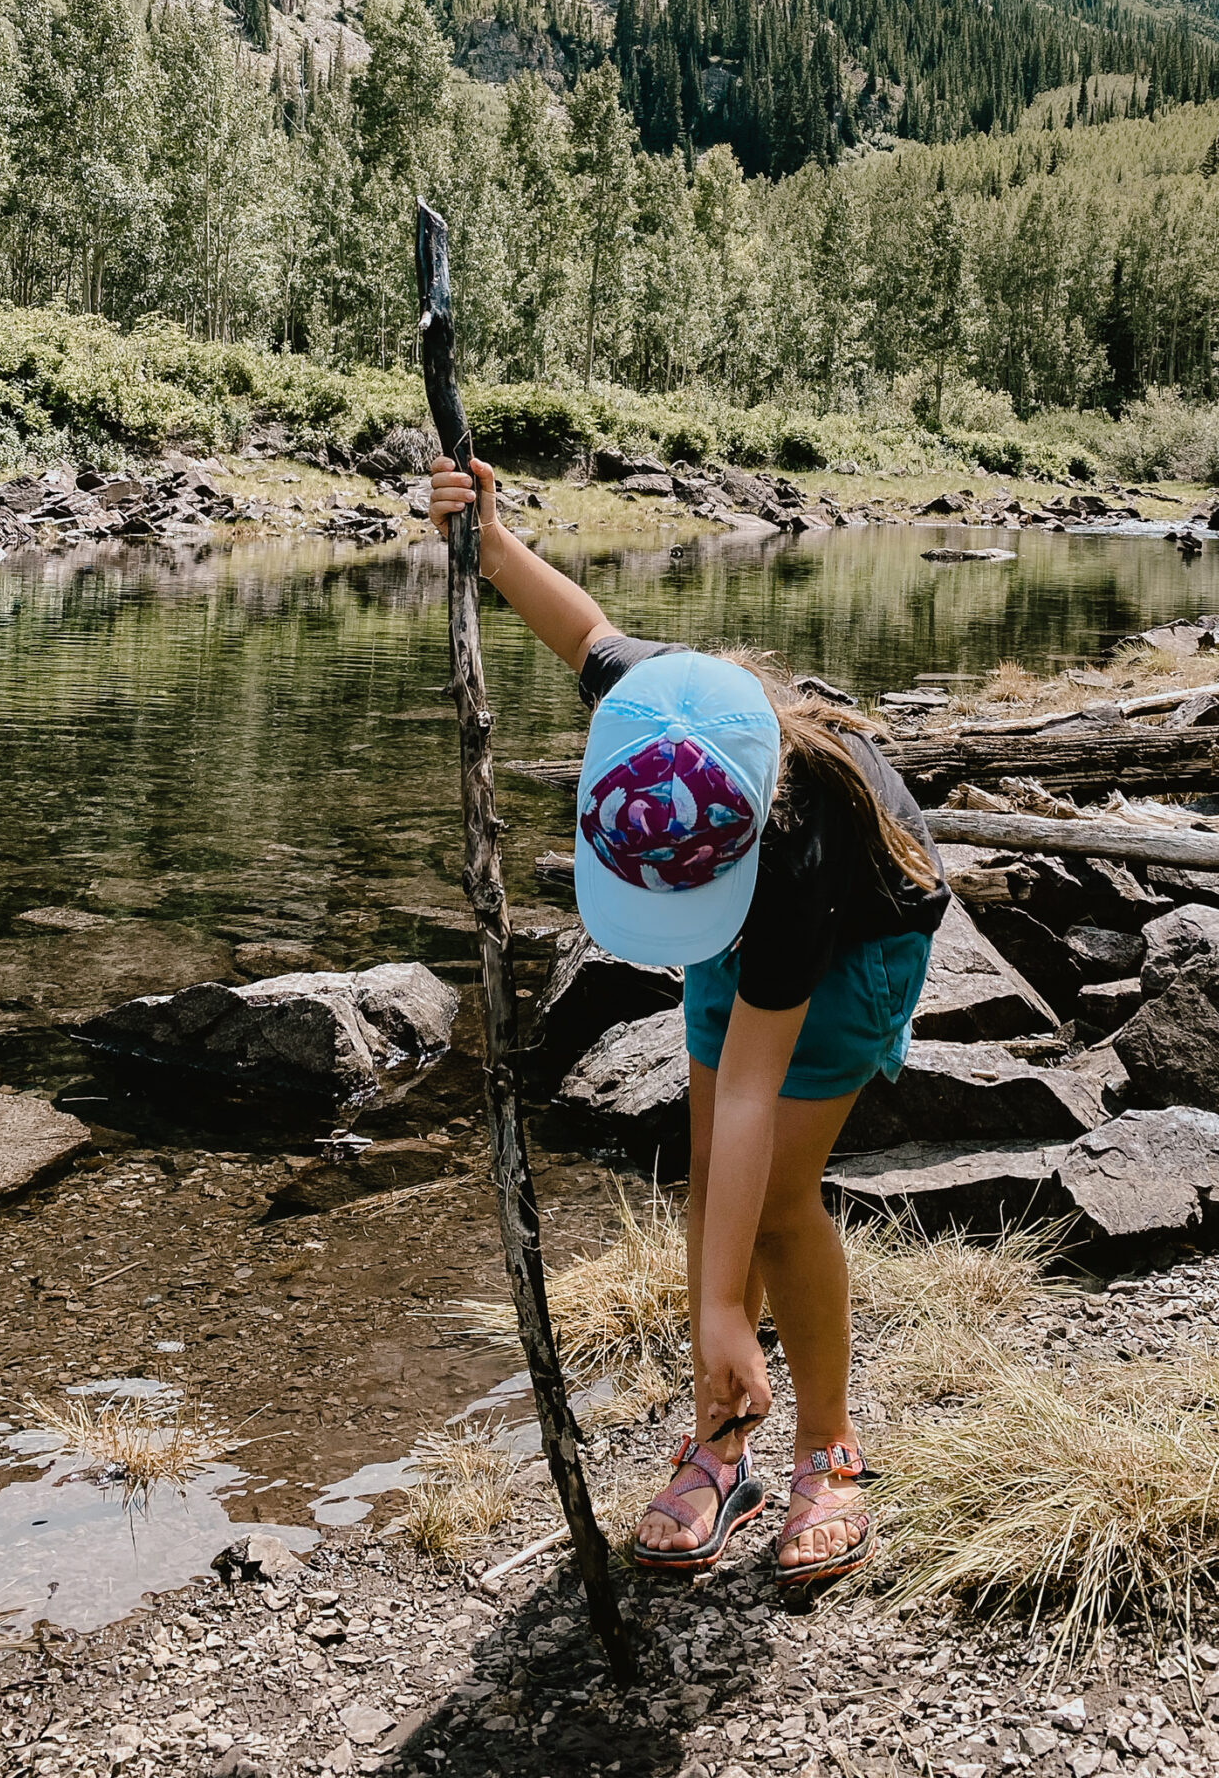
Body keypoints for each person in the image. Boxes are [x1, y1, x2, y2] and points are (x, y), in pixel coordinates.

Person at [429, 452, 949, 1589]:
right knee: (712, 1176)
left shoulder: (800, 849)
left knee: (769, 1203)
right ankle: (721, 1444)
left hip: (856, 940)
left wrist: (717, 1307)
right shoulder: (664, 710)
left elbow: (760, 1085)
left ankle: (827, 1449)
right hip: (743, 913)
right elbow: (586, 629)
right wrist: (491, 535)